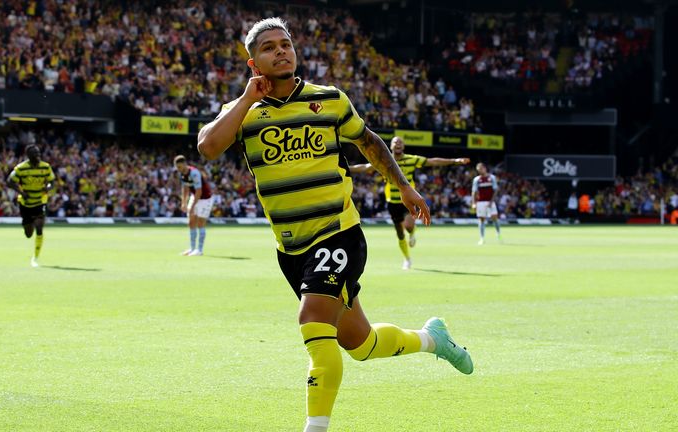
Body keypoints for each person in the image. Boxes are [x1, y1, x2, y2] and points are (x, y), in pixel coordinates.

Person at [197, 18, 473, 432]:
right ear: (254, 61)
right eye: (269, 47)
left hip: (338, 232)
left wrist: (404, 185)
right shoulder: (244, 113)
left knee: (313, 322)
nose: (281, 51)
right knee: (359, 344)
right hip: (291, 249)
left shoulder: (329, 100)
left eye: (285, 43)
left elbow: (369, 141)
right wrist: (244, 99)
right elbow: (208, 146)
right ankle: (434, 339)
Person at [351, 136, 469, 269]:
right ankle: (407, 259)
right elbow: (365, 167)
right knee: (400, 234)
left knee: (407, 226)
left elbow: (432, 161)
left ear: (404, 146)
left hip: (408, 200)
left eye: (400, 142)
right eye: (395, 142)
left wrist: (455, 161)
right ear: (390, 146)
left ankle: (412, 233)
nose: (398, 144)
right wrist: (348, 168)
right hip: (392, 202)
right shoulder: (383, 160)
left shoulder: (411, 160)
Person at [7, 145, 56, 267]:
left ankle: (35, 258)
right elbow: (9, 181)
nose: (38, 156)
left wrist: (48, 187)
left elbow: (52, 182)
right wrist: (21, 192)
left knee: (39, 227)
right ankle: (30, 223)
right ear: (28, 156)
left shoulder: (46, 167)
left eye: (39, 153)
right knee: (29, 233)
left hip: (40, 201)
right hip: (25, 203)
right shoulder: (21, 168)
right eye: (35, 154)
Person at [174, 155, 213, 256]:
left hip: (205, 199)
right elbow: (186, 188)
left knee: (200, 223)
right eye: (177, 167)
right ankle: (192, 248)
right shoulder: (182, 174)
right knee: (191, 222)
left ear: (185, 164)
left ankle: (199, 250)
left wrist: (191, 207)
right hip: (194, 197)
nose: (179, 169)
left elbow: (199, 192)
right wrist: (183, 202)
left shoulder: (194, 173)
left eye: (180, 167)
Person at [471, 162, 501, 245]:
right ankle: (482, 238)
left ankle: (498, 233)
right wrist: (474, 203)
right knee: (481, 219)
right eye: (478, 170)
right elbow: (474, 192)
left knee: (494, 218)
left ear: (485, 168)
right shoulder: (476, 179)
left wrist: (491, 202)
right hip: (480, 202)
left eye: (481, 169)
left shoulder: (492, 178)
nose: (480, 171)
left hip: (490, 201)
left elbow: (495, 190)